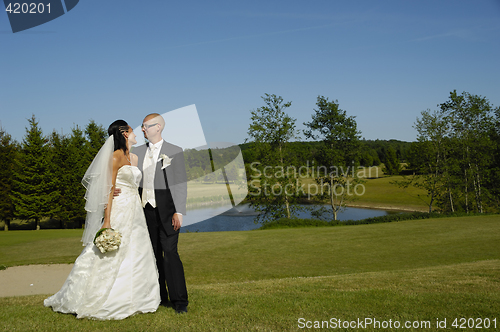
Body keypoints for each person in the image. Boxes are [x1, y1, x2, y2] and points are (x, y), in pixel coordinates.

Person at [44, 120, 161, 320]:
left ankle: (140, 299)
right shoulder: (115, 156)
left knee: (137, 251)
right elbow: (108, 188)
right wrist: (107, 221)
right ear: (124, 133)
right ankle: (103, 297)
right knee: (110, 253)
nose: (135, 134)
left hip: (136, 210)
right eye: (132, 130)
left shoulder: (133, 156)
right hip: (120, 208)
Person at [134, 113, 189, 314]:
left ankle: (180, 301)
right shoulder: (137, 151)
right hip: (144, 212)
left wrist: (179, 212)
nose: (142, 129)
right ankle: (159, 297)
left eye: (145, 126)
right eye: (142, 126)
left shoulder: (174, 151)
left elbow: (180, 183)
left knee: (170, 254)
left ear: (158, 127)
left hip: (168, 212)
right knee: (153, 255)